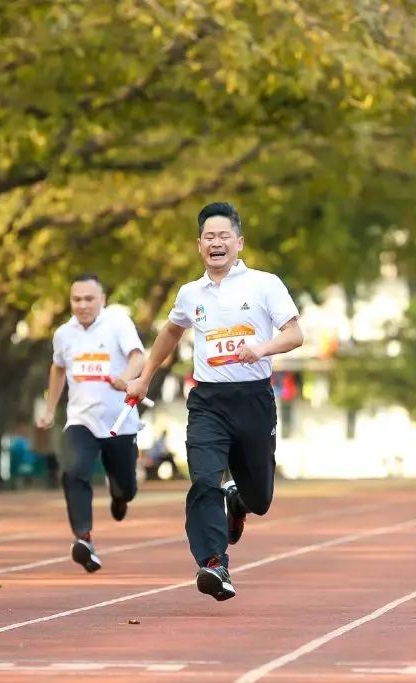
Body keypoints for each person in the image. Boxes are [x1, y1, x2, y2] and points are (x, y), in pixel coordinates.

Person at [125, 201, 304, 601]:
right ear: (199, 245)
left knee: (260, 499)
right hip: (207, 401)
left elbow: (295, 334)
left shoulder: (264, 284)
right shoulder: (191, 294)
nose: (217, 243)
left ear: (239, 243)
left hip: (254, 400)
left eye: (224, 236)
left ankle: (238, 499)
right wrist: (145, 377)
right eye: (209, 237)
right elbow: (170, 333)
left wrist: (262, 349)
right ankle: (213, 563)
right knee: (204, 479)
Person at [36, 273, 147, 574]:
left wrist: (126, 379)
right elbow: (58, 369)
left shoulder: (118, 323)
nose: (83, 305)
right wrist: (49, 409)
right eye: (77, 299)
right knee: (73, 471)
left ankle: (120, 497)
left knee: (126, 488)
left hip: (119, 420)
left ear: (102, 300)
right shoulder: (63, 334)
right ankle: (83, 538)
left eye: (89, 299)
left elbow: (139, 357)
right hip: (80, 420)